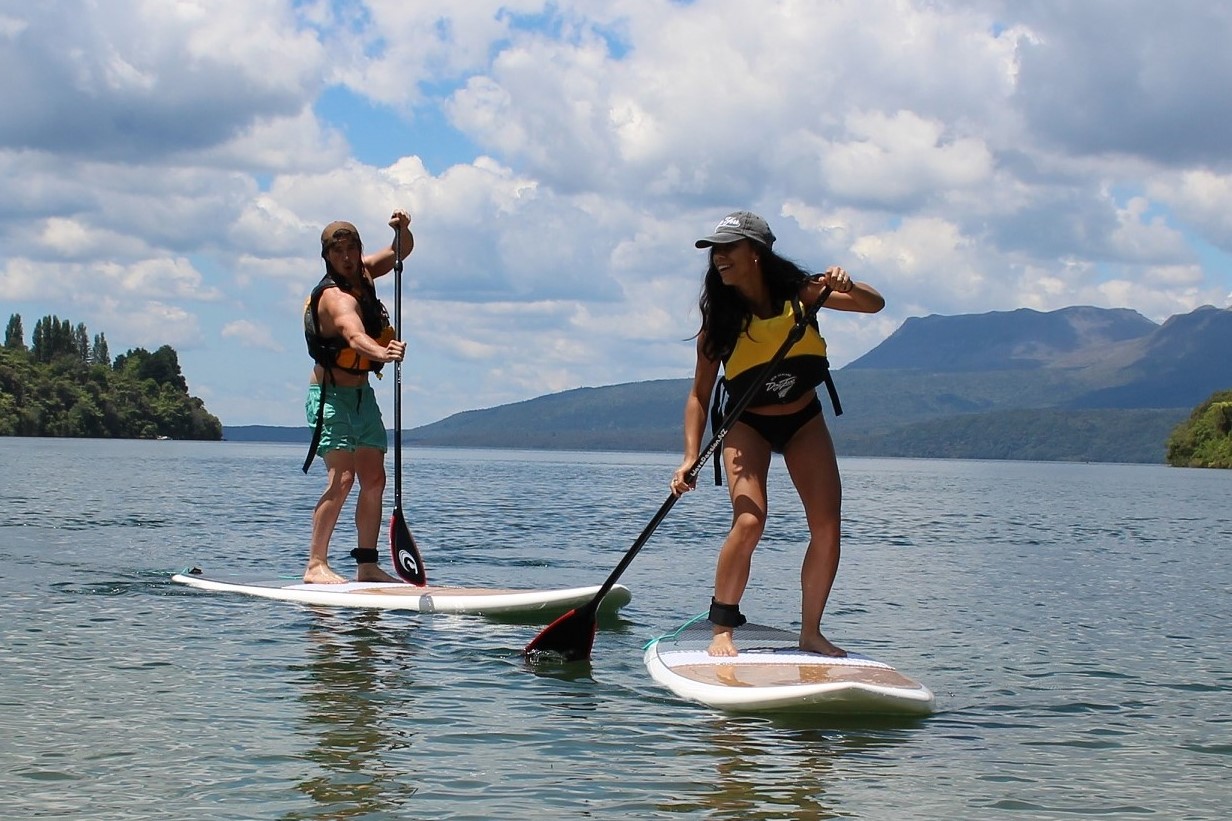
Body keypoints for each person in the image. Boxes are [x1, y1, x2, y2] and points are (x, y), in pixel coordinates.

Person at [670, 210, 885, 657]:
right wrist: (690, 455)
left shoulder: (805, 294)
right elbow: (699, 395)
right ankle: (722, 629)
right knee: (750, 520)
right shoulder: (721, 323)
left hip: (804, 419)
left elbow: (874, 304)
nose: (719, 258)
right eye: (715, 251)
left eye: (729, 248)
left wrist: (847, 284)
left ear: (757, 253)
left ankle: (811, 632)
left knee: (826, 526)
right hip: (747, 425)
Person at [301, 211, 413, 584]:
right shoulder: (333, 298)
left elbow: (400, 253)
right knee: (343, 478)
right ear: (327, 258)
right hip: (330, 398)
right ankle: (316, 565)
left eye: (352, 249)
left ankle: (366, 564)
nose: (347, 258)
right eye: (338, 253)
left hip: (362, 396)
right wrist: (382, 353)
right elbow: (353, 335)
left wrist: (404, 230)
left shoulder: (364, 272)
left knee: (374, 478)